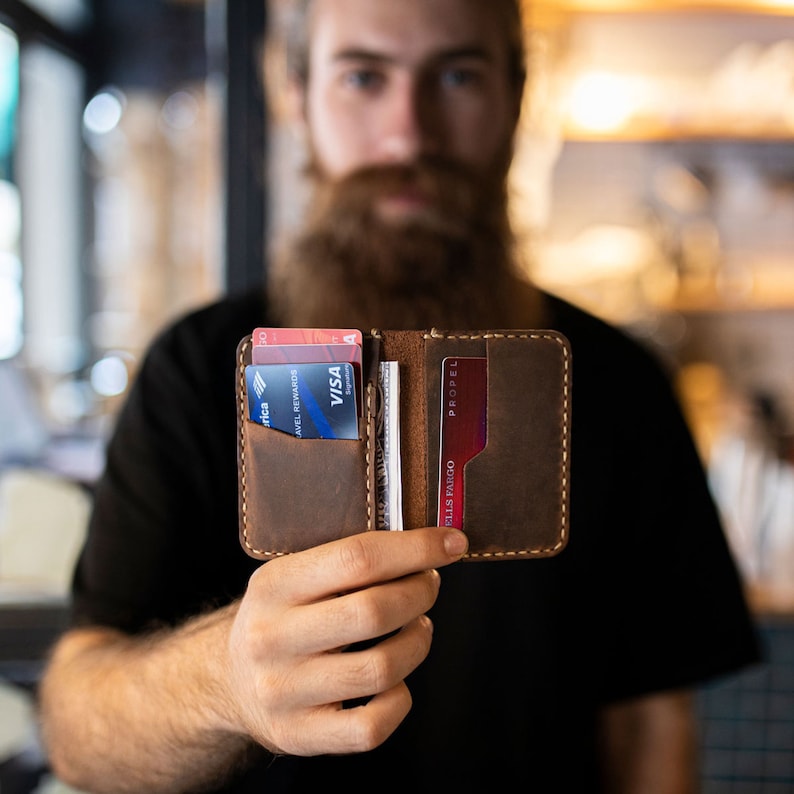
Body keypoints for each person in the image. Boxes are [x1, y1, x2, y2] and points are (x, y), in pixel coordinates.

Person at [38, 0, 760, 791]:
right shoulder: (197, 365)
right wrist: (225, 681)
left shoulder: (623, 384)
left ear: (516, 96)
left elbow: (652, 720)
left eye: (457, 74)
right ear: (296, 93)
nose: (408, 133)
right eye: (362, 77)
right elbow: (79, 728)